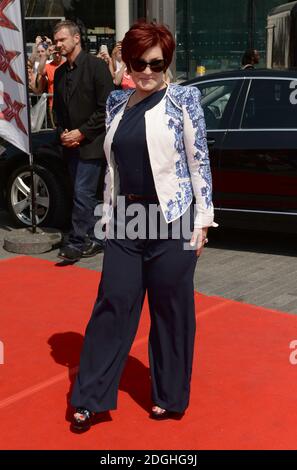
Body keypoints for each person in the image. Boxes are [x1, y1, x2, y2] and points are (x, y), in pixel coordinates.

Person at [70, 21, 216, 432]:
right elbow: (111, 168)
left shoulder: (184, 99)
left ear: (167, 61)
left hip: (172, 219)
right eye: (140, 63)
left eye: (158, 62)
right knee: (113, 303)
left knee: (171, 310)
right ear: (128, 62)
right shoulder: (118, 102)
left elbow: (198, 160)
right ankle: (90, 397)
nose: (149, 71)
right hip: (126, 220)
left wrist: (202, 221)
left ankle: (169, 395)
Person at [53, 20, 114, 261]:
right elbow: (57, 110)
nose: (58, 44)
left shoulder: (96, 67)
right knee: (81, 194)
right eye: (56, 40)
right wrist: (62, 133)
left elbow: (107, 107)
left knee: (82, 192)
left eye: (62, 40)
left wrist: (81, 132)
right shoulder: (59, 72)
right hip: (69, 145)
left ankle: (76, 243)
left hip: (92, 143)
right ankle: (92, 238)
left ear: (76, 38)